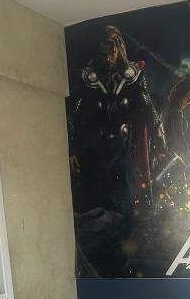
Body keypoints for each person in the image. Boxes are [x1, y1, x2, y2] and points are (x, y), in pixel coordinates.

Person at [67, 25, 163, 217]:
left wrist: (159, 136)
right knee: (93, 207)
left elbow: (147, 107)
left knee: (122, 206)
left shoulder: (132, 76)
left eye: (112, 49)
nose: (109, 56)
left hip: (121, 148)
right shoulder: (89, 77)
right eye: (104, 51)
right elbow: (75, 112)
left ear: (119, 48)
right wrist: (72, 148)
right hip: (93, 149)